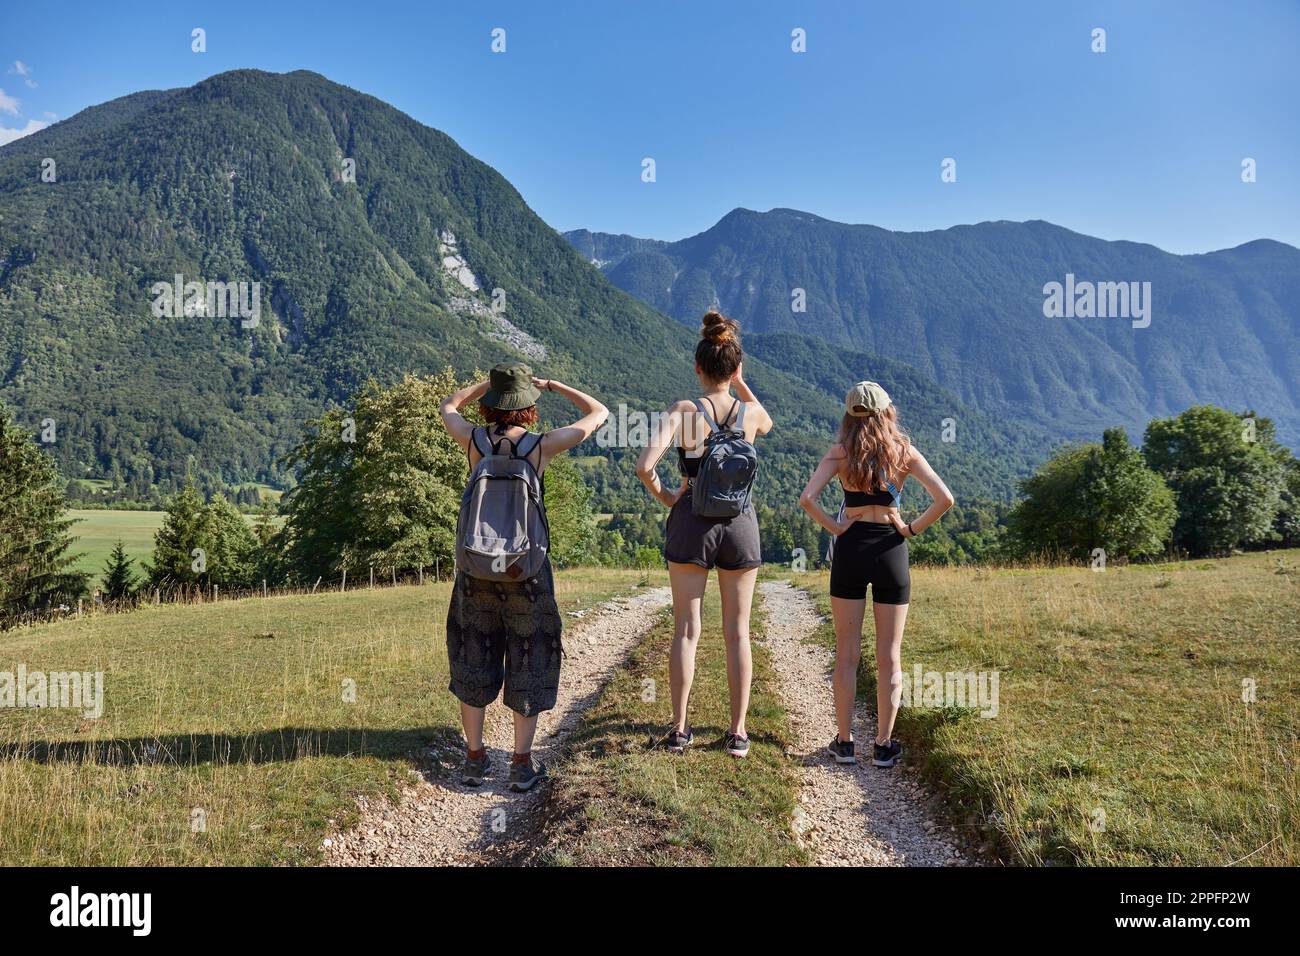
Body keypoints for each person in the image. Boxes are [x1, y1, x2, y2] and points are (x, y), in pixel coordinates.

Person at [439, 363, 608, 790]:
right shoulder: (540, 447)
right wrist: (552, 385)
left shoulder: (472, 440)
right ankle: (520, 765)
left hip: (476, 568)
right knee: (529, 656)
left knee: (473, 653)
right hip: (526, 571)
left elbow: (449, 405)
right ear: (528, 408)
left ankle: (475, 760)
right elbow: (599, 412)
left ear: (492, 405)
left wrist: (485, 386)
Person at [635, 311, 773, 758]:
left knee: (686, 630)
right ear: (734, 369)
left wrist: (670, 498)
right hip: (739, 524)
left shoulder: (683, 411)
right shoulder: (749, 413)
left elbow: (644, 467)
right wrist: (741, 383)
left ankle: (679, 729)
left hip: (692, 520)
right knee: (738, 632)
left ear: (697, 367)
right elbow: (766, 422)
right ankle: (737, 732)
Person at [798, 381, 953, 767]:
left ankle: (845, 743)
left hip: (852, 549)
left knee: (847, 653)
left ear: (849, 415)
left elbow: (807, 499)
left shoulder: (839, 454)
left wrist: (836, 529)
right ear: (887, 412)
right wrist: (910, 528)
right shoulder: (904, 453)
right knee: (890, 656)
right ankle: (884, 745)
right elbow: (944, 499)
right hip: (890, 550)